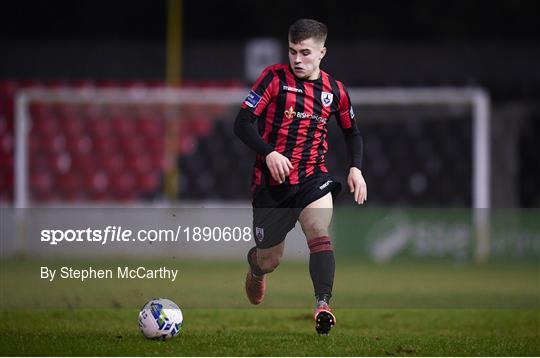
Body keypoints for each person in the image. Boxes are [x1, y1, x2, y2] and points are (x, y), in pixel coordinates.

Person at [234, 18, 367, 335]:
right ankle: (256, 268)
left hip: (312, 179)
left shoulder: (335, 91)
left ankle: (323, 305)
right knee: (270, 260)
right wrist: (268, 152)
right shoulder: (273, 79)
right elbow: (242, 123)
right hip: (271, 187)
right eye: (292, 51)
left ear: (322, 52)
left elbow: (353, 133)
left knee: (318, 230)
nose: (297, 59)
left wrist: (356, 168)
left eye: (305, 52)